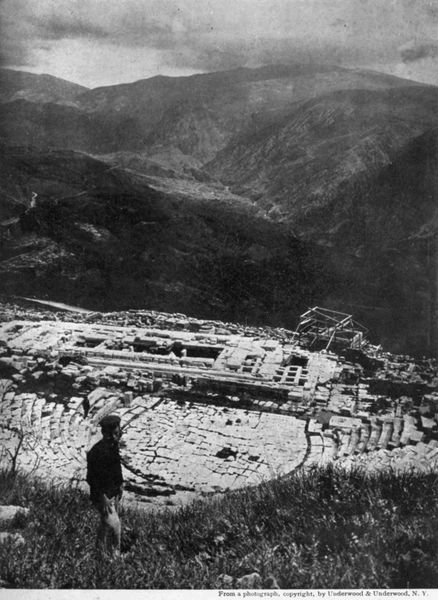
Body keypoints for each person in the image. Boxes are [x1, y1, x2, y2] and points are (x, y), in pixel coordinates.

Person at [86, 414, 124, 555]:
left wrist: (120, 484)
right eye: (114, 433)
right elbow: (91, 478)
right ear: (105, 434)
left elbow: (116, 467)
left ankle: (99, 552)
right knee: (115, 526)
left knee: (105, 524)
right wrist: (103, 497)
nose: (117, 436)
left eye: (117, 433)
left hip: (113, 493)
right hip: (102, 496)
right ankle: (115, 556)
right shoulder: (96, 452)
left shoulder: (113, 447)